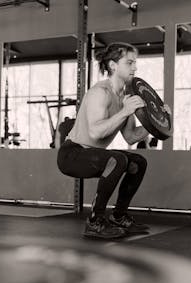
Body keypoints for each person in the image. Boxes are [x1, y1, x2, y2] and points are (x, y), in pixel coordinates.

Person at [57, 42, 153, 240]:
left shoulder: (125, 97)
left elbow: (131, 136)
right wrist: (126, 111)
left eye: (135, 63)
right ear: (113, 65)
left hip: (94, 155)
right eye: (130, 62)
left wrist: (154, 125)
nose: (135, 67)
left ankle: (119, 216)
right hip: (72, 154)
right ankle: (95, 221)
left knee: (138, 162)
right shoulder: (100, 93)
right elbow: (96, 132)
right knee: (117, 159)